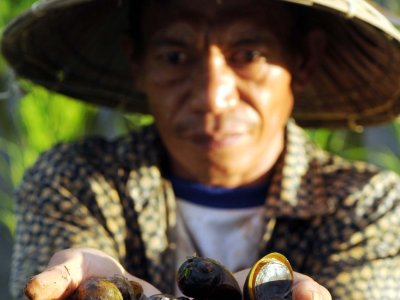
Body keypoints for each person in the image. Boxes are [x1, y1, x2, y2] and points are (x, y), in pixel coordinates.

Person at [2, 0, 400, 299]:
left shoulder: (368, 205)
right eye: (175, 57)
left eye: (248, 55)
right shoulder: (75, 180)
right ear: (137, 61)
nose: (212, 97)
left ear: (304, 59)